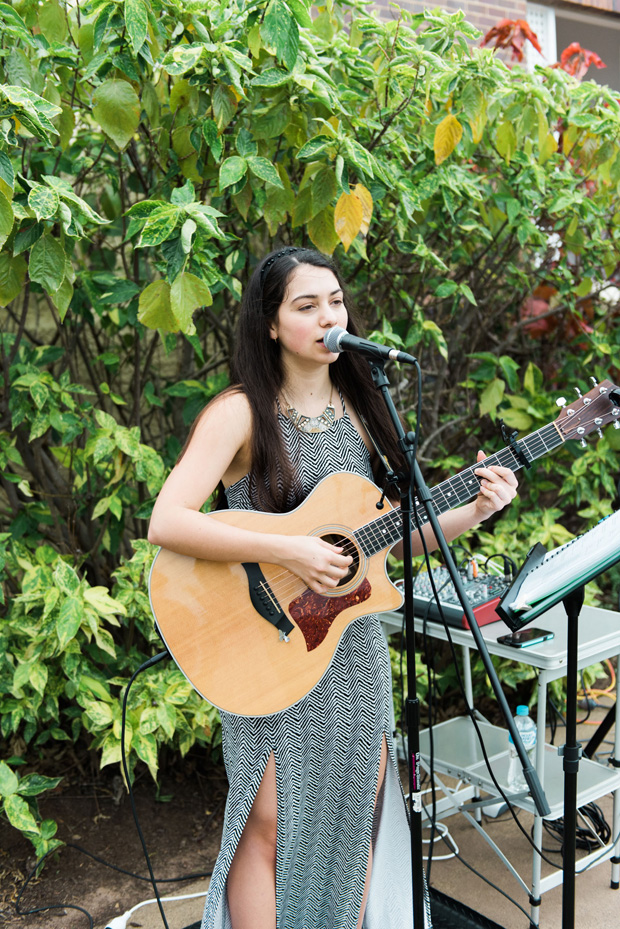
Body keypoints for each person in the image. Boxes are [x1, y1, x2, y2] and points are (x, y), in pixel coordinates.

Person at [147, 246, 518, 929]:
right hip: (265, 644)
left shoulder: (362, 408)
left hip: (350, 650)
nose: (328, 316)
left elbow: (380, 545)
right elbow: (166, 521)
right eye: (306, 304)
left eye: (336, 301)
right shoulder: (240, 413)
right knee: (268, 826)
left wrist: (472, 510)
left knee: (358, 821)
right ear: (269, 322)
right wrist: (288, 546)